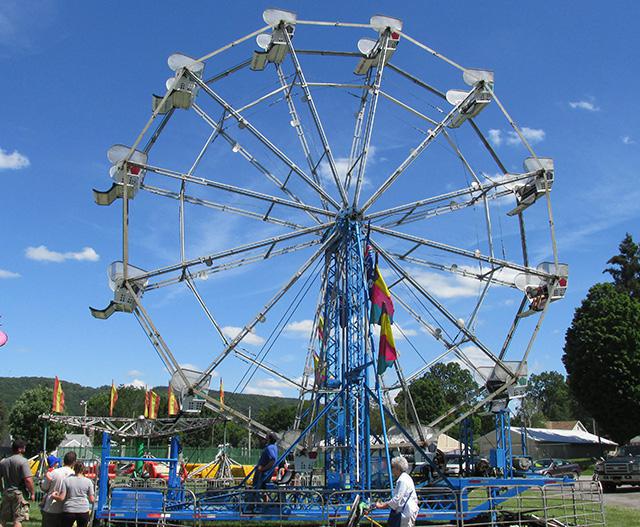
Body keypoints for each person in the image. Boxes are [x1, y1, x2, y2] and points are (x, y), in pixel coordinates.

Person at [374, 456, 418, 527]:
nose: (391, 470)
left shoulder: (402, 480)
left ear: (398, 468)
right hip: (408, 511)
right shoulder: (407, 477)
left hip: (404, 513)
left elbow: (397, 499)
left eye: (392, 467)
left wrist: (382, 506)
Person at [0, 439, 34, 527]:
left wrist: (2, 489)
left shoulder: (3, 462)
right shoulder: (23, 461)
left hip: (7, 492)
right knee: (18, 519)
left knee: (3, 519)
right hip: (18, 493)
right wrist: (32, 493)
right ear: (19, 449)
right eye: (23, 446)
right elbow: (28, 480)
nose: (25, 447)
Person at [51, 462, 94, 527]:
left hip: (69, 509)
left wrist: (54, 496)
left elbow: (62, 498)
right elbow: (91, 499)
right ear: (83, 470)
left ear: (74, 469)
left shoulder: (67, 480)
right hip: (83, 510)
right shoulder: (88, 481)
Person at [41, 452, 77, 527]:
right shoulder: (74, 475)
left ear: (64, 461)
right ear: (74, 462)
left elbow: (44, 487)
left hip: (51, 508)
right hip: (67, 509)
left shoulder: (54, 472)